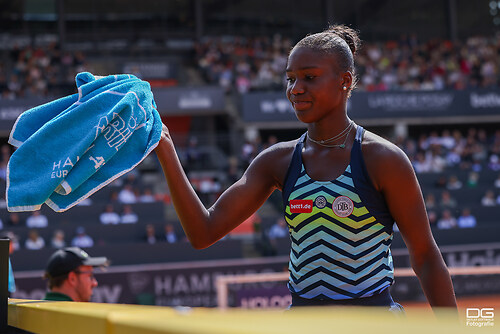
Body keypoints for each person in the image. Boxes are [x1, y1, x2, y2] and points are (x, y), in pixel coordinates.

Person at [154, 25, 457, 312]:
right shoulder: (277, 161)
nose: (296, 89)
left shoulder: (383, 159)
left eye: (309, 77)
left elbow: (426, 257)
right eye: (290, 79)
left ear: (345, 81)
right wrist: (166, 148)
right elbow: (203, 232)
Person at [43, 247, 109, 301]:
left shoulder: (36, 309)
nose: (95, 283)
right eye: (90, 276)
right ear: (72, 278)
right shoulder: (76, 315)